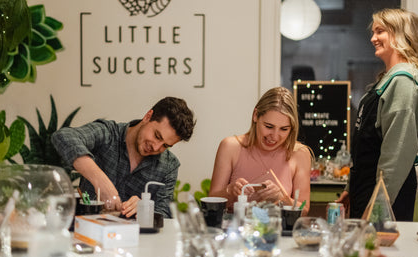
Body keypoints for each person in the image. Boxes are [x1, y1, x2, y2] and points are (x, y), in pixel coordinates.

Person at [337, 8, 418, 221]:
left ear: (401, 34)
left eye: (380, 31)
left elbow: (395, 155)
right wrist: (350, 188)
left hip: (386, 200)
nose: (373, 38)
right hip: (368, 191)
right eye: (373, 32)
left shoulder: (403, 84)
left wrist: (377, 208)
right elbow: (367, 147)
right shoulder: (385, 83)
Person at [51, 97, 196, 219]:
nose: (156, 147)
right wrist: (100, 180)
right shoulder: (108, 134)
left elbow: (163, 215)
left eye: (165, 145)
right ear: (148, 116)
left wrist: (144, 208)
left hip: (135, 244)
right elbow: (63, 137)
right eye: (157, 136)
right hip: (87, 232)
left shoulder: (169, 166)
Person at [209, 86, 311, 214]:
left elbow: (304, 210)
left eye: (284, 129)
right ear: (255, 115)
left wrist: (281, 198)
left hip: (277, 231)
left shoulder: (300, 154)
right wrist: (230, 191)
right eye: (269, 126)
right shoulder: (230, 147)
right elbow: (212, 202)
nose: (274, 136)